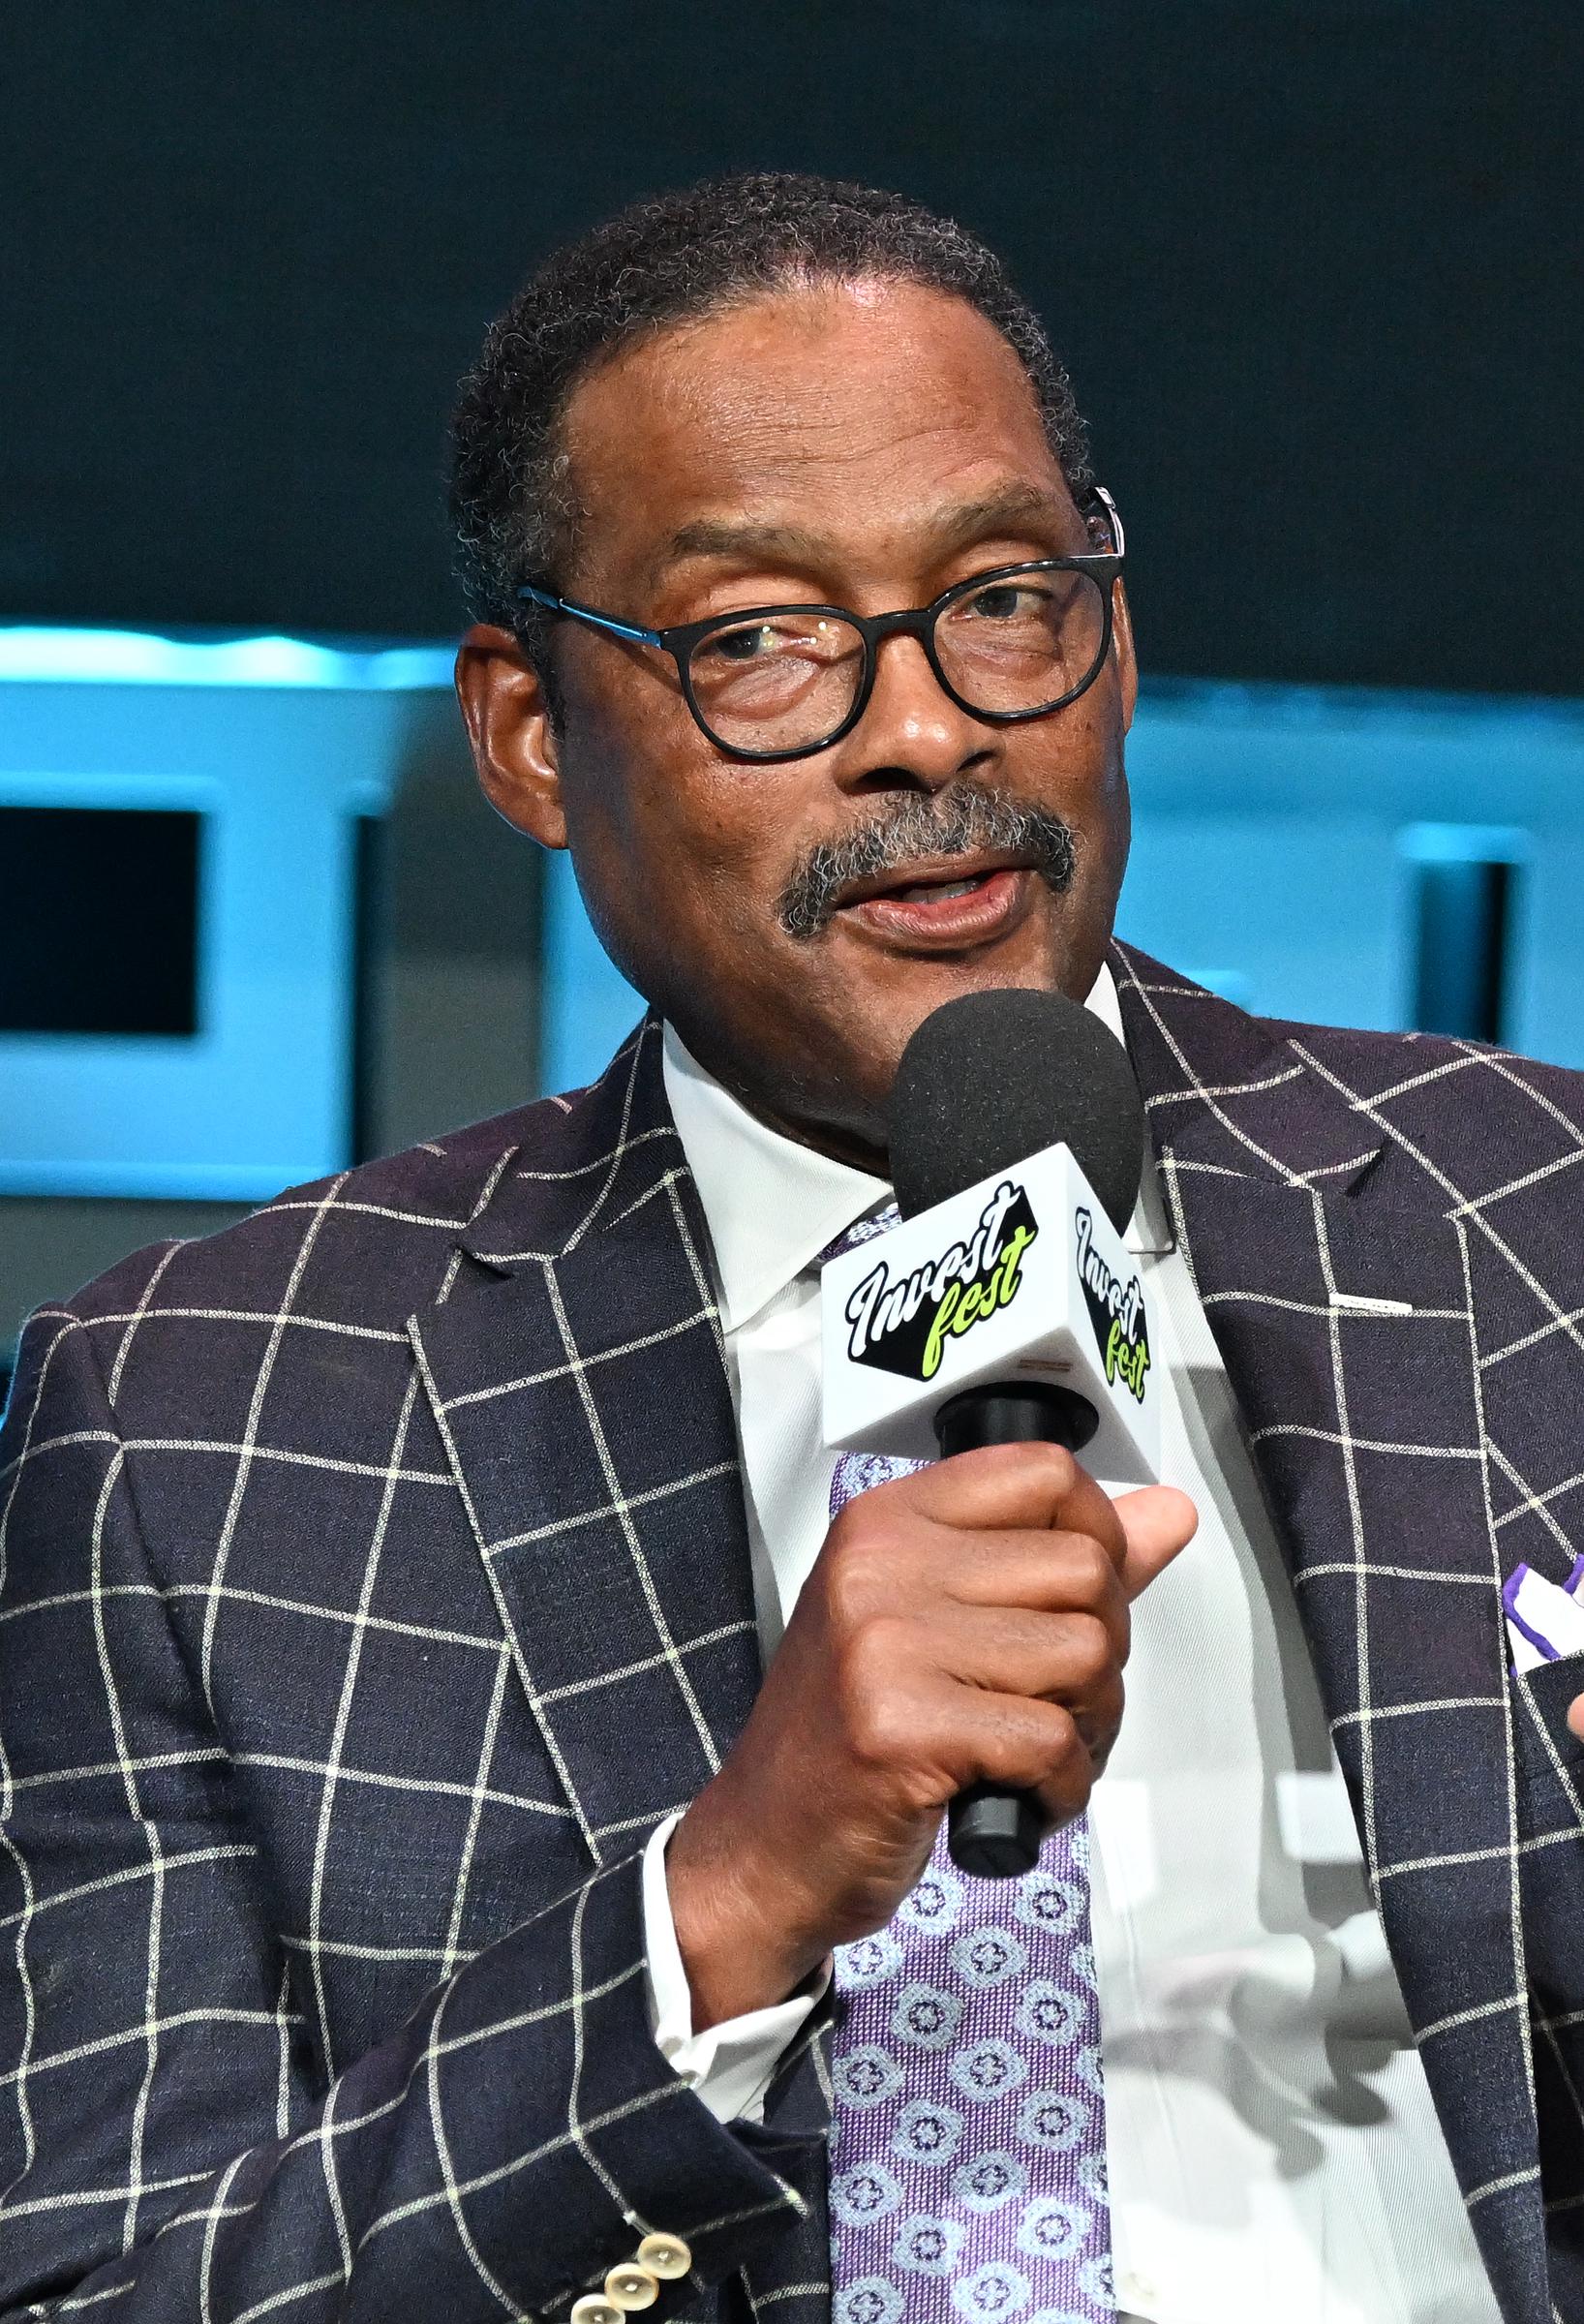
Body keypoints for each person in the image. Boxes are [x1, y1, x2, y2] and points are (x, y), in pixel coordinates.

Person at [2, 172, 1581, 2324]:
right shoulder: (208, 1416)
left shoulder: (1530, 1224)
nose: (926, 728)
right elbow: (113, 2291)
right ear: (531, 736)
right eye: (757, 640)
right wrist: (723, 1897)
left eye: (1004, 598)